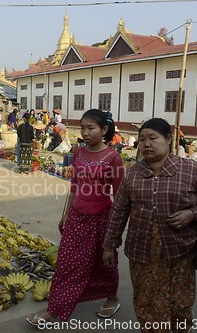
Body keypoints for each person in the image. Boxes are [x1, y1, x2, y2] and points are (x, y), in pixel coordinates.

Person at [102, 118, 197, 333]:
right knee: (146, 301)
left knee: (180, 303)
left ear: (168, 140)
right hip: (142, 253)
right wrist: (109, 245)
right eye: (141, 140)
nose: (146, 144)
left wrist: (192, 214)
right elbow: (118, 212)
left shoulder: (190, 170)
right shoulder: (132, 175)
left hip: (180, 251)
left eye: (152, 138)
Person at [27, 109, 124, 326]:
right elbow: (74, 186)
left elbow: (119, 197)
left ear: (104, 130)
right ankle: (55, 310)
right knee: (66, 264)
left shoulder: (113, 158)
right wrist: (66, 214)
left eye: (91, 128)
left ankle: (112, 296)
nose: (86, 132)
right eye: (82, 128)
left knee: (104, 262)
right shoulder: (78, 152)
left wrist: (115, 231)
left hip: (101, 220)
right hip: (77, 219)